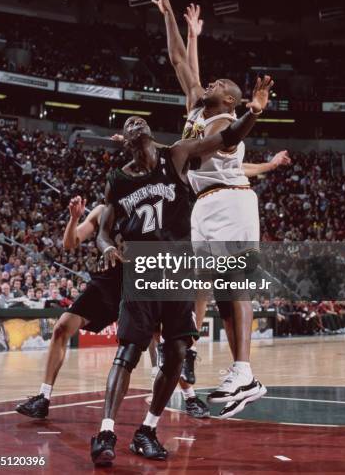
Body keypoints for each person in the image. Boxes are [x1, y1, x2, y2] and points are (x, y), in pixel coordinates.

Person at [90, 83, 272, 466]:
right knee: (128, 352)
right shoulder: (117, 180)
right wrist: (106, 246)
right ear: (126, 141)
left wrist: (253, 111)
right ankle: (106, 430)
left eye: (142, 120)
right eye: (130, 122)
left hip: (177, 266)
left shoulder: (175, 154)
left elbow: (227, 136)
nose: (137, 121)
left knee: (175, 353)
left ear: (151, 135)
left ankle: (147, 430)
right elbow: (104, 230)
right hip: (141, 267)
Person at [154, 0, 290, 419]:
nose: (209, 80)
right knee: (206, 286)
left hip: (231, 203)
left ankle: (245, 370)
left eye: (219, 83)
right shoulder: (197, 106)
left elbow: (231, 137)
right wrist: (169, 13)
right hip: (205, 205)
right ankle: (216, 363)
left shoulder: (228, 120)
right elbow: (179, 60)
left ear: (228, 98)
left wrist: (255, 111)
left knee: (233, 287)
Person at [15, 197, 122, 419]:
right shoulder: (102, 211)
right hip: (104, 282)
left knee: (156, 337)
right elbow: (70, 243)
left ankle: (188, 396)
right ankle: (43, 398)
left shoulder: (146, 210)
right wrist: (74, 218)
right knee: (61, 328)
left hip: (134, 283)